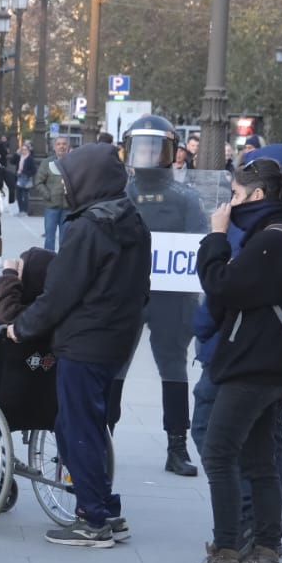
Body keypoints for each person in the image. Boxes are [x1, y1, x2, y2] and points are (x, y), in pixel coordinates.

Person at [176, 157, 282, 563]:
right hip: (269, 364)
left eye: (234, 195)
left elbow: (222, 285)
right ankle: (265, 556)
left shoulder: (271, 241)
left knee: (218, 454)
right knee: (257, 460)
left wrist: (215, 237)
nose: (228, 203)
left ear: (256, 196)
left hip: (252, 366)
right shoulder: (276, 235)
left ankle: (227, 557)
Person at [11, 142, 151, 548]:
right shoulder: (132, 220)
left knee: (76, 428)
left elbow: (61, 292)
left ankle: (93, 518)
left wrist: (23, 327)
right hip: (116, 338)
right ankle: (107, 507)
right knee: (88, 424)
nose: (66, 188)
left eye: (70, 180)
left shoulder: (87, 228)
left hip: (84, 340)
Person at [121, 116, 206, 479]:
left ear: (170, 151)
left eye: (155, 147)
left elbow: (199, 243)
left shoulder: (185, 197)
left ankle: (177, 445)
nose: (148, 154)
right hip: (128, 293)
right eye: (142, 147)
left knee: (173, 369)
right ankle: (101, 436)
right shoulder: (122, 193)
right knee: (114, 366)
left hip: (171, 297)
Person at [32, 136, 70, 249]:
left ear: (68, 146)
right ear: (54, 147)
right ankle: (48, 261)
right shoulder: (47, 163)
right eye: (58, 144)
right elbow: (38, 182)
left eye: (64, 144)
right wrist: (48, 196)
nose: (61, 146)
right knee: (49, 237)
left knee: (66, 238)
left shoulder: (73, 162)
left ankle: (63, 263)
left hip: (68, 208)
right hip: (51, 207)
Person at [15, 141, 36, 215]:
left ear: (28, 150)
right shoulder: (19, 157)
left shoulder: (30, 158)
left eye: (25, 149)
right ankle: (20, 210)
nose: (23, 151)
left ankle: (25, 211)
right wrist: (17, 153)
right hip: (19, 177)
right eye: (22, 149)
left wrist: (25, 173)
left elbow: (34, 170)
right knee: (18, 195)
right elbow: (11, 161)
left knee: (25, 195)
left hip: (26, 177)